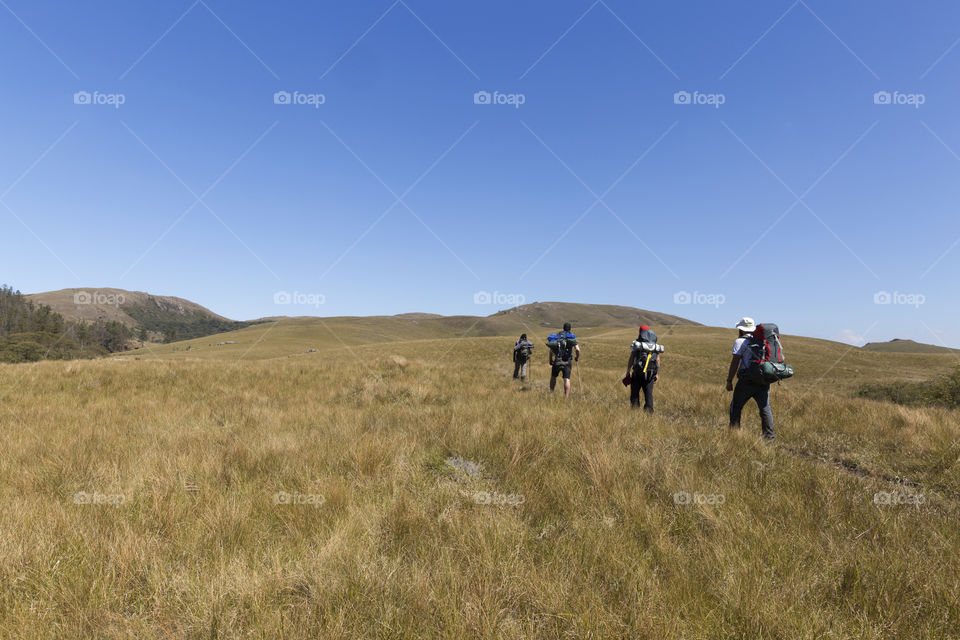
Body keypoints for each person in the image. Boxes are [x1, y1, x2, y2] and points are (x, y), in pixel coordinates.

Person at [725, 316, 775, 439]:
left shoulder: (740, 342)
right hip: (762, 379)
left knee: (736, 406)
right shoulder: (762, 341)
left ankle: (734, 435)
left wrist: (729, 380)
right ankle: (769, 438)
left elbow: (735, 362)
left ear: (741, 329)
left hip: (746, 380)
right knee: (765, 409)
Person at [625, 325, 660, 413]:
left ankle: (634, 412)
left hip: (637, 373)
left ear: (640, 332)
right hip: (650, 374)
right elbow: (657, 359)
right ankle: (649, 414)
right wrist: (656, 373)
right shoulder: (654, 345)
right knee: (648, 394)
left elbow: (632, 357)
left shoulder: (636, 343)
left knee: (635, 393)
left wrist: (628, 371)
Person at [548, 322, 580, 396]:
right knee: (566, 379)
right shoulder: (571, 337)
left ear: (563, 328)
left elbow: (551, 349)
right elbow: (577, 349)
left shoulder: (558, 335)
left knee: (553, 377)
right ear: (570, 329)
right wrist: (577, 357)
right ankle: (566, 397)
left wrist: (550, 360)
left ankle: (551, 394)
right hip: (567, 360)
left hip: (557, 360)